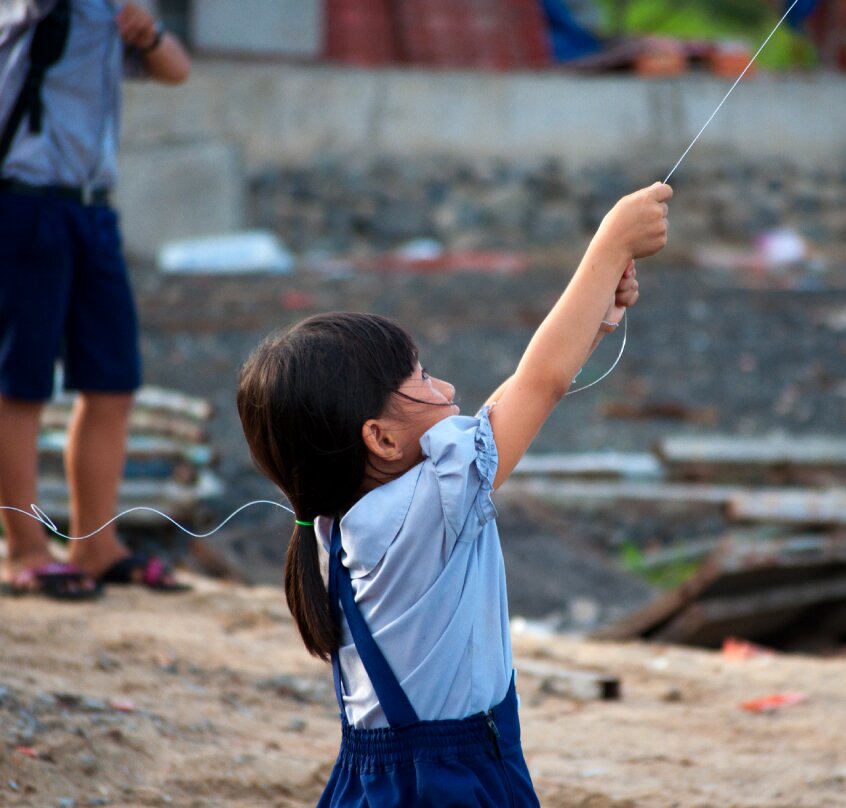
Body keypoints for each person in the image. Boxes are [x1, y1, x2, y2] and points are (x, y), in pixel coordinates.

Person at [236, 180, 672, 805]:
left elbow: (504, 406)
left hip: (369, 780)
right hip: (453, 779)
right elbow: (537, 385)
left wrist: (597, 316)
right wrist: (608, 245)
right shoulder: (434, 504)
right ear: (381, 439)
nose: (444, 385)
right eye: (419, 378)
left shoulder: (337, 521)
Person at [0, 1, 190, 599]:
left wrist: (148, 30)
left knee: (112, 382)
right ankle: (25, 548)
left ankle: (95, 544)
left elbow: (176, 68)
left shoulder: (112, 11)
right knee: (19, 384)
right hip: (24, 202)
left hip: (93, 208)